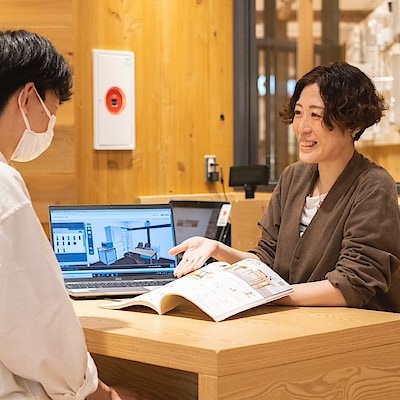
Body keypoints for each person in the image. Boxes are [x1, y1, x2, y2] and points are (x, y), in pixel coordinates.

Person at [169, 61, 400, 312]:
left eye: (316, 115)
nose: (302, 127)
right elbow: (267, 260)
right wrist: (218, 249)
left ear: (353, 124)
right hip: (293, 322)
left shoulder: (373, 186)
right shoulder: (293, 177)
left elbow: (353, 284)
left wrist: (270, 295)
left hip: (355, 329)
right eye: (299, 113)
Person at [0, 30, 152, 400]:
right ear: (27, 97)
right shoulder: (4, 187)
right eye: (51, 111)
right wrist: (98, 392)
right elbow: (37, 324)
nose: (50, 123)